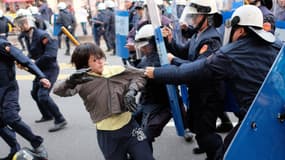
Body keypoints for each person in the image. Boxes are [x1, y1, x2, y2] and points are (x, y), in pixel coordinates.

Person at [145, 4, 282, 155]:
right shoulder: (277, 46)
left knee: (228, 152)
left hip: (255, 117)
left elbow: (192, 72)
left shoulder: (229, 53)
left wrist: (157, 73)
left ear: (241, 30)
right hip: (276, 113)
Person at [53, 42, 154, 160]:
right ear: (84, 64)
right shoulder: (81, 80)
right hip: (107, 135)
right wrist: (69, 81)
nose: (100, 61)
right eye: (94, 60)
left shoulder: (117, 71)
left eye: (100, 57)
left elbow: (141, 75)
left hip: (131, 128)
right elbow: (59, 91)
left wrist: (132, 90)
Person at [14, 11, 67, 132]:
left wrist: (31, 64)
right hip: (39, 70)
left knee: (43, 96)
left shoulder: (44, 35)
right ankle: (47, 115)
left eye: (23, 22)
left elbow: (50, 56)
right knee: (34, 93)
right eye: (19, 23)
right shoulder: (27, 36)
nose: (21, 26)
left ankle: (60, 119)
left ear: (30, 21)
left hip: (50, 69)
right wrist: (23, 61)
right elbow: (32, 53)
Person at [0, 38, 49, 160]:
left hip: (8, 89)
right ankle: (14, 149)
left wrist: (40, 76)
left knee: (10, 116)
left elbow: (25, 60)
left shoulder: (2, 45)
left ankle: (37, 144)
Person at [133, 24, 172, 152]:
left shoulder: (162, 59)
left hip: (162, 105)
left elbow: (142, 78)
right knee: (133, 129)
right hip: (146, 102)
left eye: (146, 45)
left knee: (144, 135)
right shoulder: (147, 57)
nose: (143, 49)